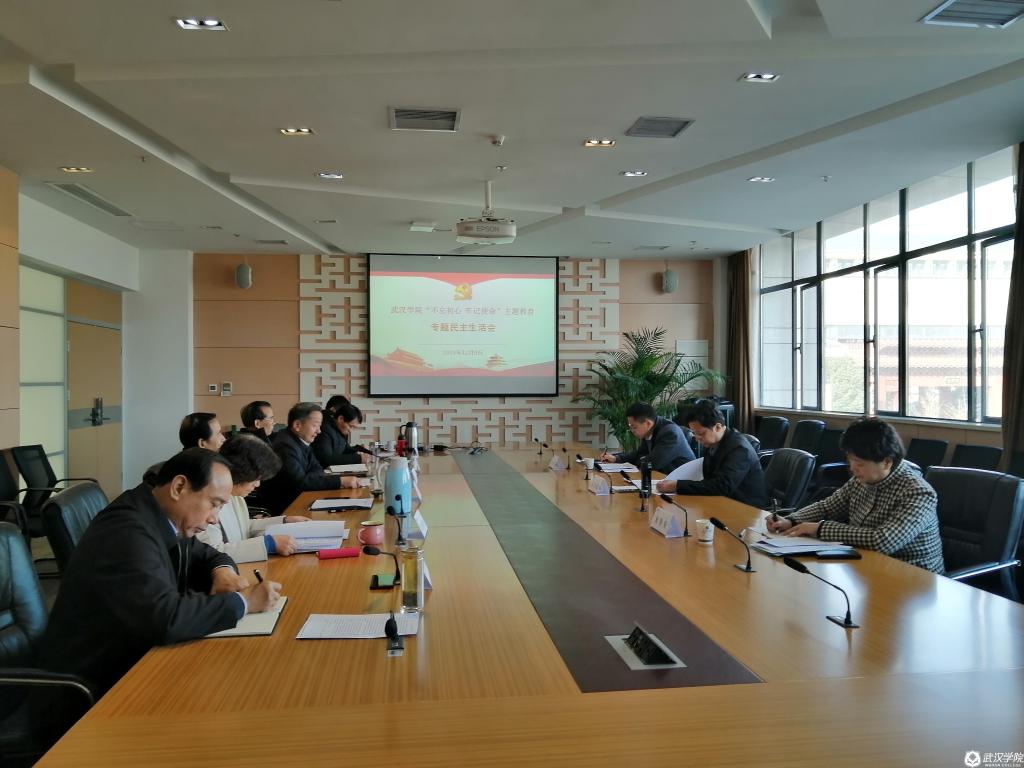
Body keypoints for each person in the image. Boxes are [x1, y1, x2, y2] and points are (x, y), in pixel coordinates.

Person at [36, 449, 282, 698]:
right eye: (214, 504)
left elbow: (207, 554)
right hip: (92, 685)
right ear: (179, 487)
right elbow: (165, 619)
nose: (214, 519)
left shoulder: (160, 515)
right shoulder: (127, 531)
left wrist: (223, 571)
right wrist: (244, 602)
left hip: (133, 658)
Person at [766, 417, 944, 573]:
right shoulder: (861, 480)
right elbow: (828, 507)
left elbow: (882, 541)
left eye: (860, 463)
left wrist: (819, 528)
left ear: (887, 462)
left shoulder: (918, 492)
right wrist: (791, 520)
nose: (852, 469)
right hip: (868, 568)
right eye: (850, 461)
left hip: (914, 578)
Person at [197, 434, 310, 561]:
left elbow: (245, 527)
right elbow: (213, 551)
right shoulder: (209, 500)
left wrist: (284, 521)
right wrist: (267, 544)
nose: (257, 484)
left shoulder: (236, 495)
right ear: (242, 471)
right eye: (256, 478)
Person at [656, 400, 768, 508]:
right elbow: (710, 480)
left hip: (746, 507)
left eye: (701, 433)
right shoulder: (713, 442)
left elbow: (722, 486)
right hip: (723, 501)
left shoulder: (739, 448)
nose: (697, 438)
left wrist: (677, 485)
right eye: (694, 433)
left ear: (718, 427)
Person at [261, 402, 360, 514]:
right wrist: (340, 481)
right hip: (286, 509)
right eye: (315, 425)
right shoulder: (285, 446)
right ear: (297, 425)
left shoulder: (300, 440)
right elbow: (300, 483)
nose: (319, 431)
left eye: (319, 426)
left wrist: (309, 478)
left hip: (302, 500)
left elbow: (317, 469)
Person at [599, 402, 694, 475]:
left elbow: (652, 463)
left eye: (634, 427)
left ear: (647, 423)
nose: (632, 430)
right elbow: (640, 454)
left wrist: (642, 459)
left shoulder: (670, 433)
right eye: (630, 426)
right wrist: (616, 458)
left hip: (682, 480)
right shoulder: (651, 429)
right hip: (663, 478)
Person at [312, 397, 370, 468]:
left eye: (353, 428)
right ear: (340, 419)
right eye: (350, 426)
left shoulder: (339, 428)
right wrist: (358, 458)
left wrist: (359, 449)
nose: (350, 431)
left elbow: (343, 449)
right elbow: (326, 459)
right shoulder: (324, 428)